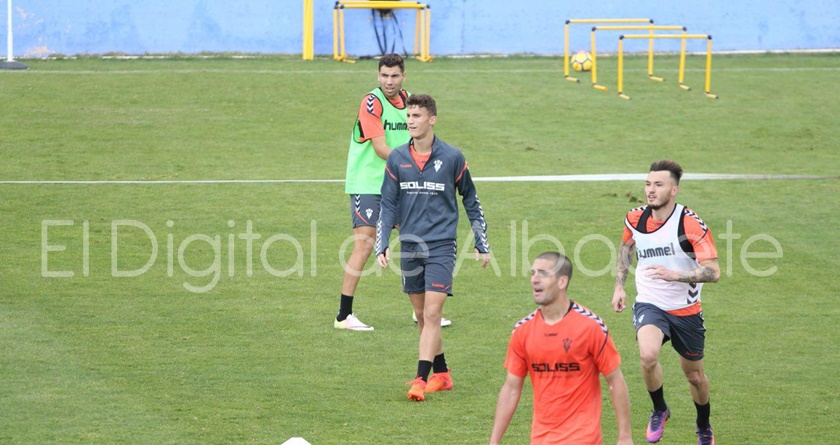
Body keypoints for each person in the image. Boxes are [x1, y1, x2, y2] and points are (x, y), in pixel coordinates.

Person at [375, 94, 490, 401]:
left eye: (417, 116)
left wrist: (481, 241)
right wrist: (382, 243)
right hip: (409, 246)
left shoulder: (452, 157)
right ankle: (442, 374)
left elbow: (471, 199)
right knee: (421, 315)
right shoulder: (397, 158)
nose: (410, 121)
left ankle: (420, 379)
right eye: (408, 116)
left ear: (432, 120)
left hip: (441, 246)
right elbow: (388, 203)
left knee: (433, 312)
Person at [335, 53, 451, 331]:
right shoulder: (371, 102)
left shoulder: (409, 102)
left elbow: (419, 139)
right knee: (365, 244)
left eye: (394, 76)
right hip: (368, 183)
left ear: (403, 76)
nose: (389, 81)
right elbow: (379, 148)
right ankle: (343, 315)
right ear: (378, 76)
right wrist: (416, 164)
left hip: (398, 182)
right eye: (384, 76)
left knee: (418, 239)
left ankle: (420, 311)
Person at [612, 160, 720, 445]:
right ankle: (660, 409)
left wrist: (676, 275)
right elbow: (626, 248)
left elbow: (713, 272)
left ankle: (703, 425)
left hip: (686, 310)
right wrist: (619, 286)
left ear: (674, 190)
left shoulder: (689, 223)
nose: (650, 190)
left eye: (658, 185)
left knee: (694, 376)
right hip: (650, 303)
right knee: (648, 356)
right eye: (648, 184)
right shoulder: (635, 218)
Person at [490, 252, 634, 445]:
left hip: (583, 438)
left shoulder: (590, 327)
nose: (534, 279)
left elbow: (615, 380)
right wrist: (493, 441)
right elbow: (511, 388)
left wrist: (625, 437)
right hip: (541, 439)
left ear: (562, 282)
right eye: (533, 273)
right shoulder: (522, 330)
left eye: (543, 273)